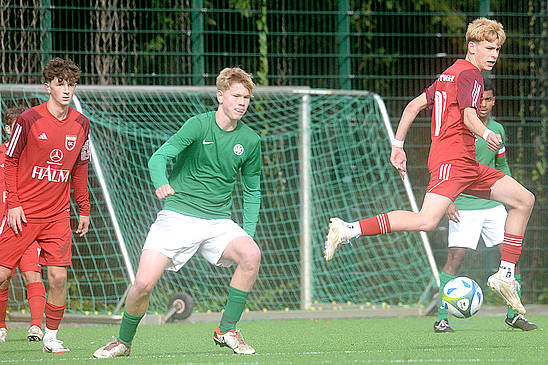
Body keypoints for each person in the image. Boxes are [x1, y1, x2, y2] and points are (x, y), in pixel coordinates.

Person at [324, 18, 534, 316]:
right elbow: (469, 117)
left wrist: (398, 147)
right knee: (425, 221)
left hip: (466, 164)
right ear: (471, 46)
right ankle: (348, 229)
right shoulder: (471, 76)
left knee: (524, 200)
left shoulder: (448, 74)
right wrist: (487, 133)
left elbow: (413, 106)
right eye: (489, 48)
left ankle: (505, 275)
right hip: (452, 163)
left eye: (497, 49)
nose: (494, 55)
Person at [93, 67, 262, 358]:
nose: (242, 102)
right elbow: (158, 157)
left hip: (218, 221)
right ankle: (123, 342)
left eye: (246, 97)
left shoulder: (250, 141)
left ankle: (227, 329)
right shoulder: (198, 125)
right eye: (236, 95)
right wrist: (161, 183)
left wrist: (247, 231)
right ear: (220, 96)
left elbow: (252, 190)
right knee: (143, 284)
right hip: (177, 217)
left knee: (252, 255)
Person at [0, 57, 91, 353]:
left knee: (58, 276)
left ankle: (50, 338)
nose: (66, 90)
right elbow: (10, 162)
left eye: (71, 84)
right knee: (2, 274)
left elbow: (80, 168)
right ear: (47, 86)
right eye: (60, 84)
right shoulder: (28, 120)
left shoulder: (82, 124)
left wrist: (84, 208)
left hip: (57, 216)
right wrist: (14, 203)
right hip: (23, 214)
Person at [434, 79, 537, 332]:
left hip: (493, 205)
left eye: (489, 99)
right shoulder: (459, 128)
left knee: (511, 259)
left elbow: (502, 167)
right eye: (480, 99)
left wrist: (512, 194)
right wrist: (448, 200)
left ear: (494, 101)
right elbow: (443, 165)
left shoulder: (497, 130)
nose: (484, 104)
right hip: (463, 204)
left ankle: (514, 313)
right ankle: (441, 317)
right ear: (473, 100)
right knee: (455, 259)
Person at [0, 106, 46, 343]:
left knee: (32, 275)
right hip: (4, 230)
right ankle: (1, 327)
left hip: (28, 228)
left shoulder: (34, 157)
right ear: (7, 129)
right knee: (2, 278)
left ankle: (36, 327)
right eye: (16, 126)